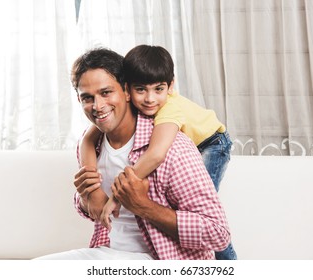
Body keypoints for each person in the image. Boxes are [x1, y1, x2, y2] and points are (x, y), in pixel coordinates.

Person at [36, 47, 230, 260]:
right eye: (87, 98)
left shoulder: (171, 146)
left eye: (106, 92)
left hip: (161, 260)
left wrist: (144, 206)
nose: (98, 106)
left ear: (126, 91)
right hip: (109, 253)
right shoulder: (93, 144)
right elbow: (96, 212)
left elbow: (217, 233)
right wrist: (85, 197)